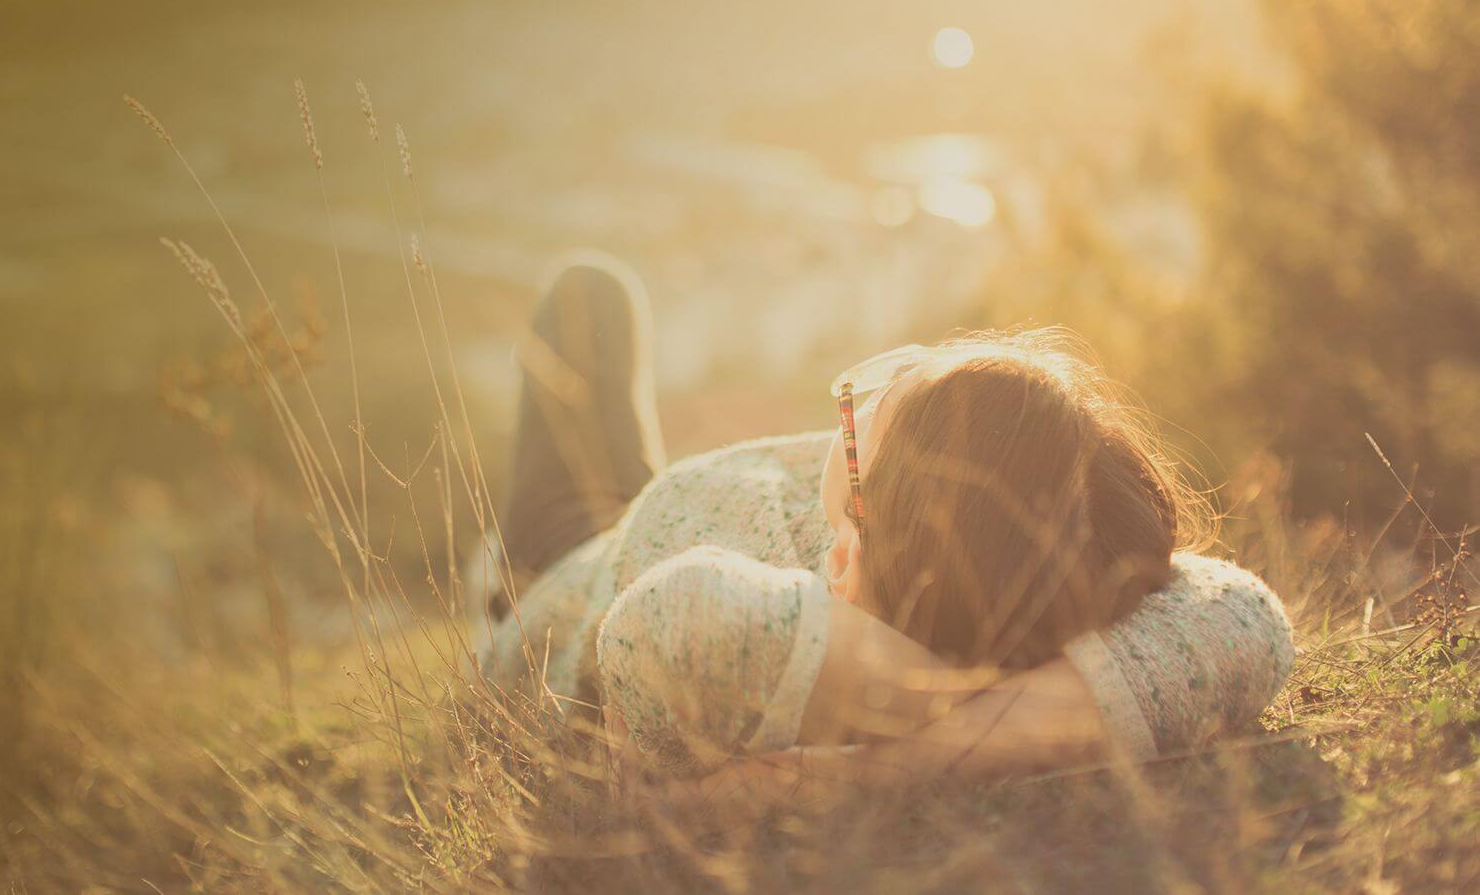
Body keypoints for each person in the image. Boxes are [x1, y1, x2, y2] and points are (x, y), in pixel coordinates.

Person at [476, 256, 1294, 785]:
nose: (854, 407)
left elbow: (676, 613)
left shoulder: (738, 615)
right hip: (633, 533)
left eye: (872, 415)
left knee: (584, 294)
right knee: (596, 296)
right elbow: (1245, 620)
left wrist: (860, 772)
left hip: (561, 578)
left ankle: (490, 589)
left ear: (847, 556)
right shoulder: (1010, 567)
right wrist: (961, 717)